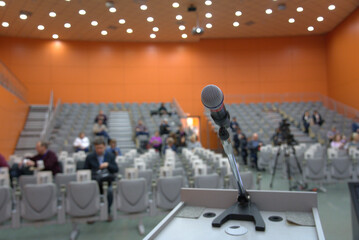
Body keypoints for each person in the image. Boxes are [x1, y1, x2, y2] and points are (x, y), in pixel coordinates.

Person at [84, 137, 118, 222]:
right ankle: (92, 213)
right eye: (97, 148)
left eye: (101, 148)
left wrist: (108, 165)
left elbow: (116, 169)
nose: (99, 150)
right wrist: (95, 171)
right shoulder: (90, 157)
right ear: (94, 148)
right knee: (89, 191)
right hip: (94, 181)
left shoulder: (110, 156)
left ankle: (107, 212)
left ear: (105, 147)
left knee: (110, 191)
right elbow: (85, 171)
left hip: (107, 181)